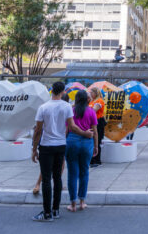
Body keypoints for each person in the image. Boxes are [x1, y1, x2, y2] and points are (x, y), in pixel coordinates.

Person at [32, 82, 93, 222]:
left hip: (46, 146)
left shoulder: (43, 107)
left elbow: (38, 130)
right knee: (57, 178)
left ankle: (47, 213)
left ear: (52, 91)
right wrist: (85, 133)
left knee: (46, 179)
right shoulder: (66, 107)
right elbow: (72, 126)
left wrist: (34, 149)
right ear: (63, 91)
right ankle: (55, 210)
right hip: (61, 145)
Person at [66, 90, 98, 212]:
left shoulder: (71, 111)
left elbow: (67, 128)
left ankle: (72, 204)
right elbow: (95, 131)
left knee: (72, 173)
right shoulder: (91, 111)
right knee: (84, 172)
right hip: (87, 142)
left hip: (72, 141)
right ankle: (82, 202)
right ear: (86, 99)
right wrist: (96, 146)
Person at [88, 88, 106, 167]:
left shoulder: (99, 101)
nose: (90, 94)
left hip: (99, 122)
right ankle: (91, 160)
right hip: (92, 122)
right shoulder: (91, 101)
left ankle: (97, 161)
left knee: (97, 140)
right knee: (92, 140)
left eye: (91, 92)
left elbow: (93, 110)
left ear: (96, 93)